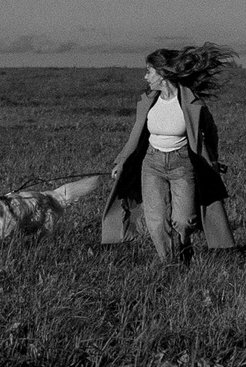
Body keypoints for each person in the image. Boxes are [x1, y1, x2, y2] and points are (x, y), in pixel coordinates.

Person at [100, 44, 236, 263]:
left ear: (162, 75)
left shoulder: (192, 103)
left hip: (183, 163)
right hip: (151, 163)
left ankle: (183, 245)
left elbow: (210, 131)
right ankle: (169, 263)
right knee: (156, 220)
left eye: (149, 71)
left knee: (184, 220)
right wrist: (121, 161)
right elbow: (135, 136)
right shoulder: (147, 102)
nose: (146, 77)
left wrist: (213, 158)